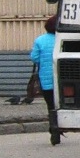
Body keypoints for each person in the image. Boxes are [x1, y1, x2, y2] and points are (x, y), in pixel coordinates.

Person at [30, 15, 60, 145]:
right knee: (61, 105)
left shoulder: (40, 40)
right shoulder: (61, 40)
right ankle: (60, 126)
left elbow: (34, 58)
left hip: (46, 79)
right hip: (61, 78)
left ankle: (54, 131)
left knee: (51, 106)